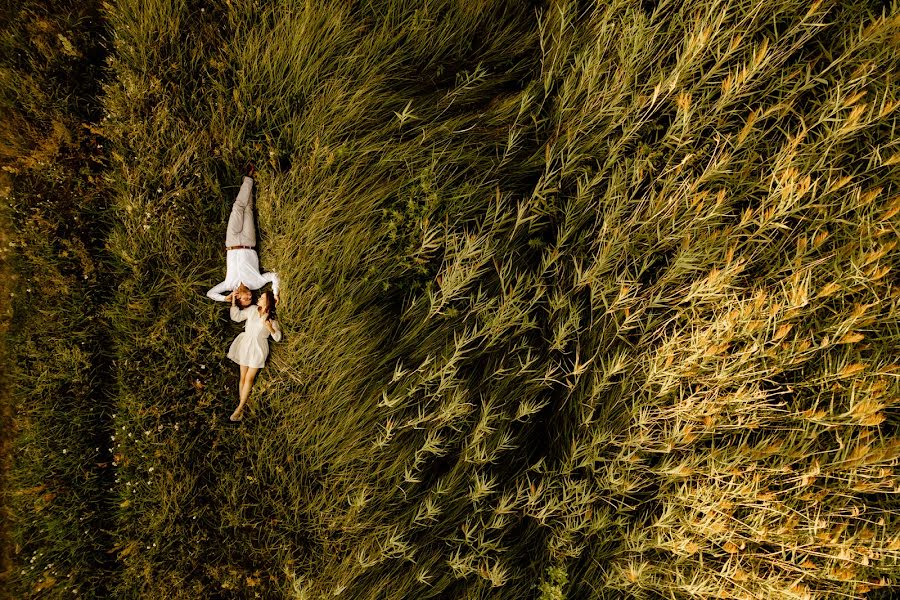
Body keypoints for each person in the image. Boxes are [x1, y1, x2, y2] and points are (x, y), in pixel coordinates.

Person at [207, 174, 280, 308]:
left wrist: (225, 298)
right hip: (248, 242)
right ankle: (250, 180)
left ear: (238, 297)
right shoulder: (256, 283)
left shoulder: (228, 284)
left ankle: (249, 178)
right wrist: (275, 293)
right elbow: (274, 275)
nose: (250, 297)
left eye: (245, 299)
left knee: (237, 207)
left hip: (232, 242)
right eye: (251, 299)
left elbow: (210, 293)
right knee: (248, 210)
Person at [227, 289, 281, 421]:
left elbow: (278, 337)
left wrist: (270, 328)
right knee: (243, 378)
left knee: (249, 378)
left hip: (258, 348)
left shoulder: (271, 319)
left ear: (268, 301)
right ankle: (242, 408)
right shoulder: (252, 310)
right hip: (246, 344)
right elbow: (236, 317)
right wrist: (233, 302)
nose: (259, 299)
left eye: (262, 298)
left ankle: (239, 408)